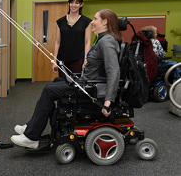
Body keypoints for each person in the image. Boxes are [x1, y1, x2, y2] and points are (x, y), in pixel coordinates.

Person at [11, 9, 122, 149]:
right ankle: (31, 127)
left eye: (95, 19)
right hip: (87, 83)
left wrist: (107, 101)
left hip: (91, 90)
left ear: (105, 22)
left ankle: (31, 137)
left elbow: (114, 71)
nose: (92, 22)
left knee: (48, 91)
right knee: (56, 82)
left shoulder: (107, 42)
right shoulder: (103, 39)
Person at [52, 0, 92, 78]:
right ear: (68, 3)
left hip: (78, 59)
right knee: (62, 85)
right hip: (62, 59)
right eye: (72, 2)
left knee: (77, 86)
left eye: (77, 3)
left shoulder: (86, 22)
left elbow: (87, 42)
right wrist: (54, 60)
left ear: (81, 4)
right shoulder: (60, 22)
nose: (74, 5)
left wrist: (86, 60)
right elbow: (57, 42)